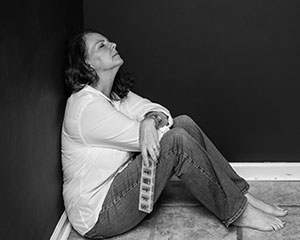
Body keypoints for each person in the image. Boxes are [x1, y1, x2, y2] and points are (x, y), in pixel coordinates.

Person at [61, 30, 287, 239]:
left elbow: (164, 114)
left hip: (123, 186)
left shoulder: (116, 95)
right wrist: (147, 126)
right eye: (102, 46)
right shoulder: (86, 107)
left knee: (183, 123)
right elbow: (160, 138)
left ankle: (240, 194)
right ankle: (238, 212)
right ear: (88, 65)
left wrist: (150, 120)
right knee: (176, 141)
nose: (113, 44)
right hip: (99, 214)